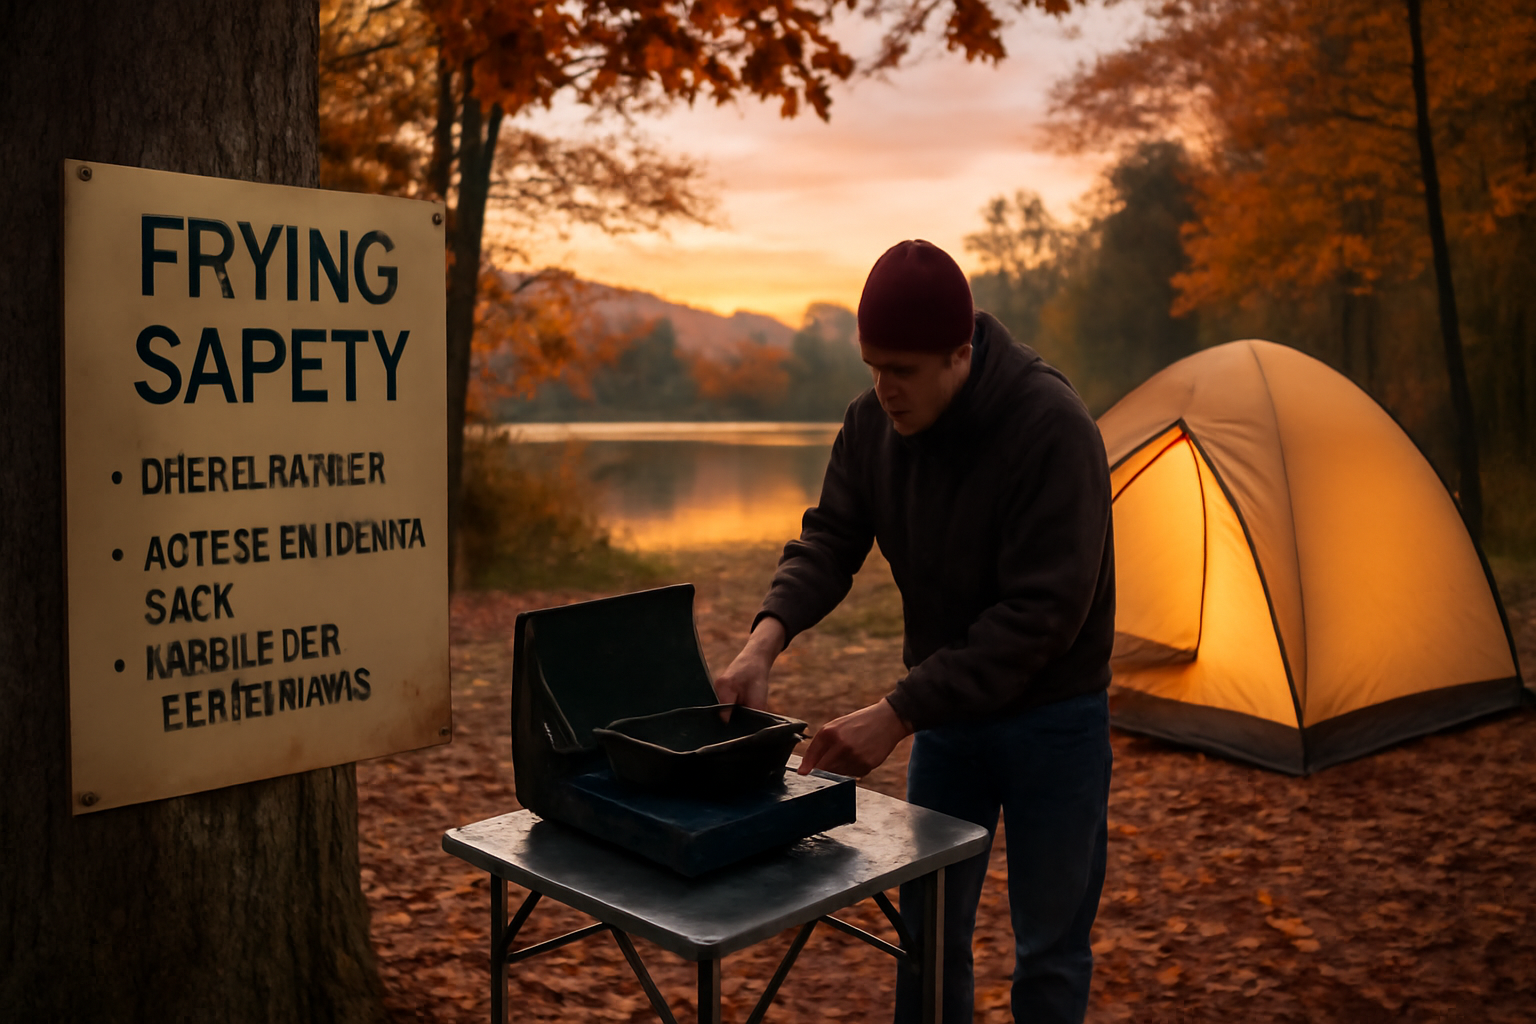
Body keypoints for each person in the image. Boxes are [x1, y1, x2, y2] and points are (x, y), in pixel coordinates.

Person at [712, 239, 1115, 1023]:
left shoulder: (1050, 427)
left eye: (902, 370)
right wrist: (764, 638)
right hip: (950, 722)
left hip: (1055, 722)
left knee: (1049, 950)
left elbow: (1043, 615)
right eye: (873, 366)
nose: (884, 388)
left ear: (960, 355)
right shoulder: (871, 426)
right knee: (927, 938)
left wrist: (896, 713)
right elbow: (830, 539)